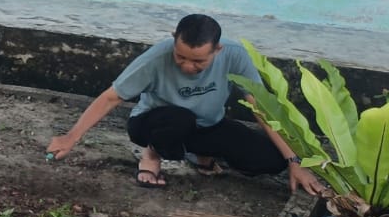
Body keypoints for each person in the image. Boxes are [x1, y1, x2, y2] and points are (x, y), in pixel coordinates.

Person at [46, 13, 327, 195]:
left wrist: (294, 161)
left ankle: (201, 155)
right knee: (179, 120)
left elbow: (261, 109)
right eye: (181, 57)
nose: (187, 66)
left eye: (198, 61)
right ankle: (152, 156)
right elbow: (111, 96)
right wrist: (72, 137)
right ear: (174, 42)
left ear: (217, 50)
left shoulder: (236, 56)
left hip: (206, 126)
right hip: (154, 124)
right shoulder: (158, 56)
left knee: (270, 160)